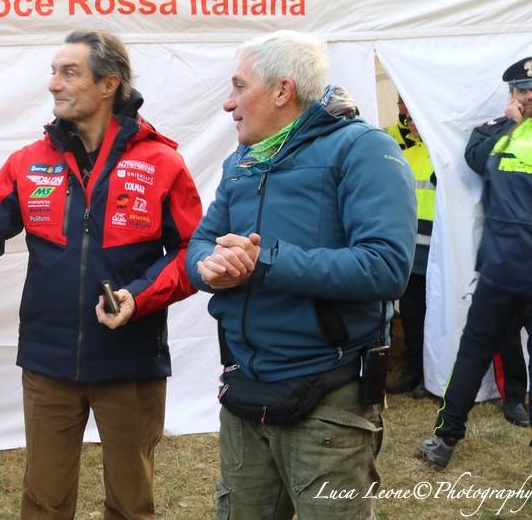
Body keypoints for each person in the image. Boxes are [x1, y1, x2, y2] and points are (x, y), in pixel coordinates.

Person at [0, 29, 202, 519]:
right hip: (49, 363)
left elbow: (192, 252)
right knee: (44, 500)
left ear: (108, 84)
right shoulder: (30, 162)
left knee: (131, 502)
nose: (53, 84)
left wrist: (138, 296)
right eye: (53, 72)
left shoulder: (161, 162)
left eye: (68, 72)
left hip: (130, 362)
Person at [187, 30, 415, 520]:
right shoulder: (241, 161)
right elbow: (200, 243)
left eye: (238, 86)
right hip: (246, 390)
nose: (228, 104)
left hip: (328, 402)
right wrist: (210, 268)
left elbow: (387, 267)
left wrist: (264, 260)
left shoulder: (362, 149)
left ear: (281, 90)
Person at [417, 56, 532, 468]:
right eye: (523, 90)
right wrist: (508, 125)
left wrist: (508, 125)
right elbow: (475, 159)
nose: (529, 96)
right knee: (473, 352)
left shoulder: (502, 135)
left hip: (502, 267)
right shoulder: (497, 135)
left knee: (473, 351)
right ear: (512, 96)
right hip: (502, 268)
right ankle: (444, 438)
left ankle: (445, 439)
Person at [385, 113, 435, 399]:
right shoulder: (407, 154)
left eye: (415, 117)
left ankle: (435, 374)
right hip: (412, 253)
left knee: (435, 317)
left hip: (439, 254)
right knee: (413, 315)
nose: (410, 123)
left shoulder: (442, 155)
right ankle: (415, 370)